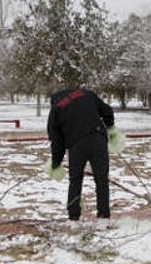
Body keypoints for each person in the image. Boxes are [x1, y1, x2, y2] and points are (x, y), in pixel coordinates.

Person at [45, 87, 123, 222]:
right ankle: (104, 217)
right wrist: (110, 128)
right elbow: (108, 111)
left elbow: (57, 142)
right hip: (98, 139)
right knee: (102, 180)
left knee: (75, 180)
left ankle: (74, 217)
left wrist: (56, 163)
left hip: (76, 146)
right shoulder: (86, 93)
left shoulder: (55, 109)